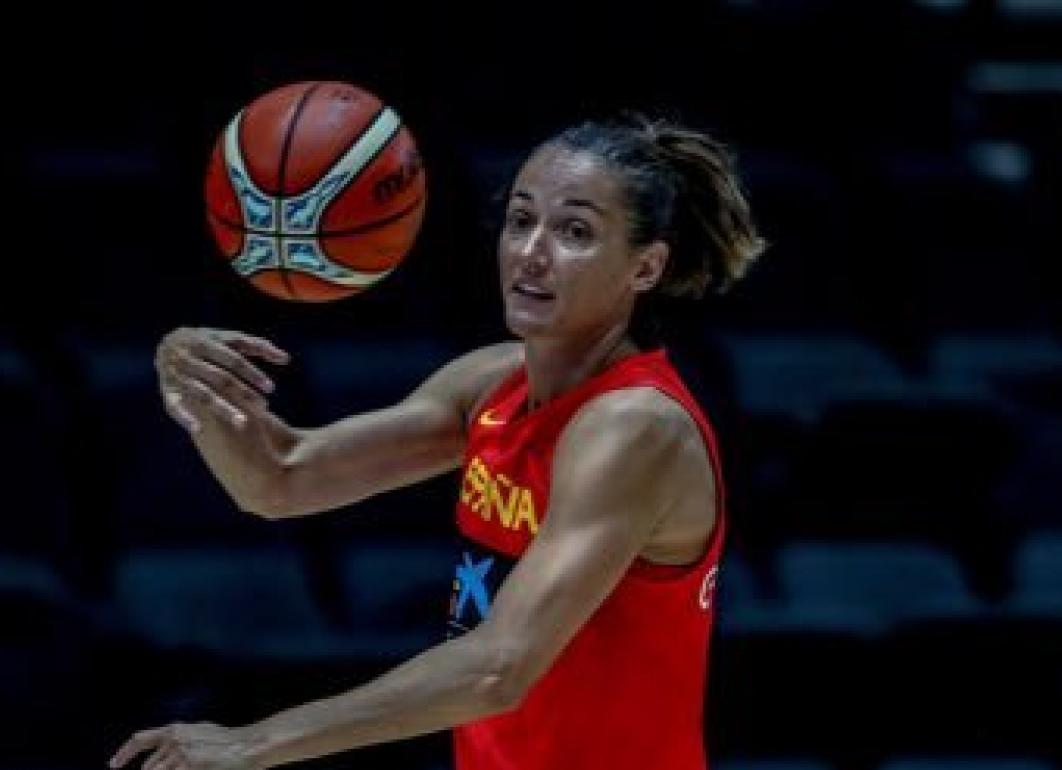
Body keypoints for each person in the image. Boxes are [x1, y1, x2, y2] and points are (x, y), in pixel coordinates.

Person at [109, 113, 765, 770]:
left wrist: (254, 741)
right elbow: (280, 477)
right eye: (520, 220)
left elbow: (499, 668)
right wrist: (195, 380)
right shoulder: (492, 382)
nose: (532, 251)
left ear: (645, 268)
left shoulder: (634, 426)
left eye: (575, 232)